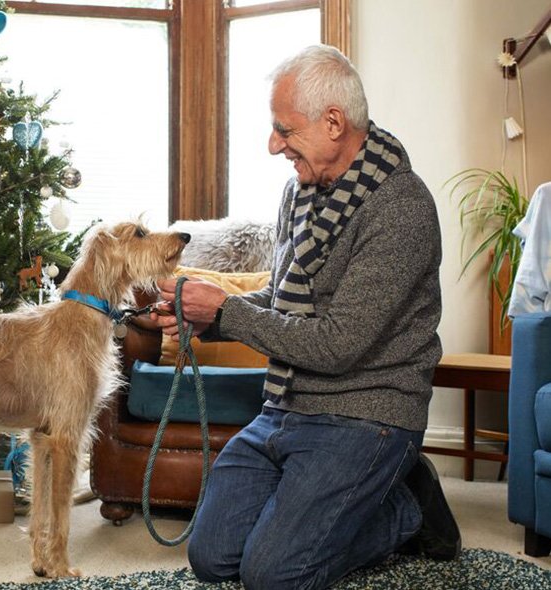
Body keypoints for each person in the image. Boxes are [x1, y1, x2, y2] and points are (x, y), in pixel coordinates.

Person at [152, 45, 460, 590]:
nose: (274, 145)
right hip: (285, 406)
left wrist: (227, 309)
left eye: (284, 129)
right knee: (213, 559)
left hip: (367, 413)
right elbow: (282, 297)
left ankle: (406, 509)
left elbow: (339, 345)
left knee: (272, 575)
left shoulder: (402, 207)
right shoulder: (299, 193)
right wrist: (207, 316)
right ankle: (336, 507)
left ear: (334, 123)